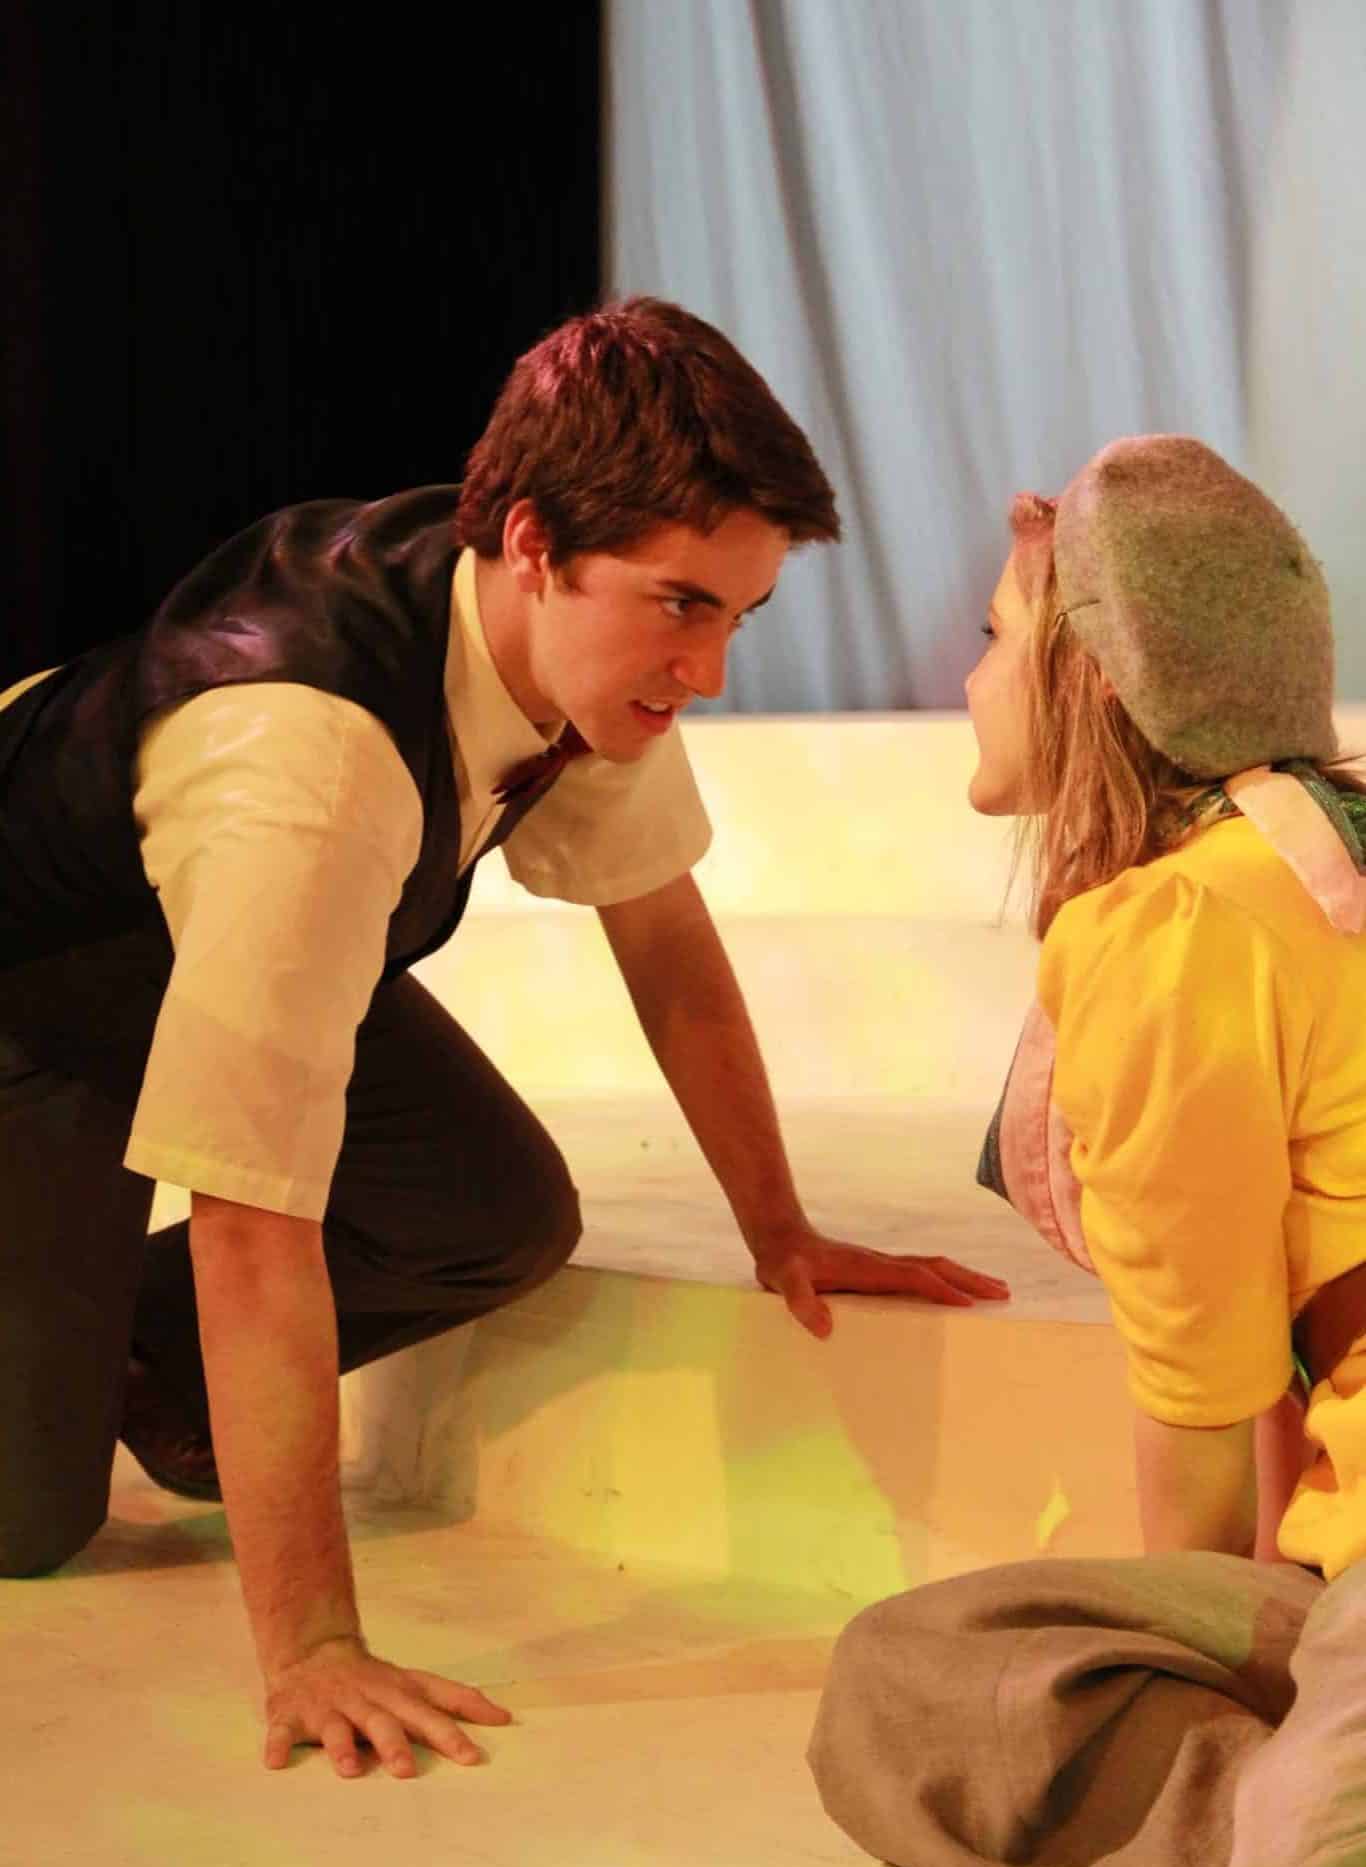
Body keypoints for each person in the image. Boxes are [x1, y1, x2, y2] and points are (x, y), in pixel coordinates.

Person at [0, 297, 1007, 1784]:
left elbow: (664, 940)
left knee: (496, 1211)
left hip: (208, 933)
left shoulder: (558, 641)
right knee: (26, 1520)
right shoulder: (310, 762)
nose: (710, 670)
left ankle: (142, 1370)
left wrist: (779, 1228)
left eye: (738, 615)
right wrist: (315, 1647)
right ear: (534, 543)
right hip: (36, 983)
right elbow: (250, 1223)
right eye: (681, 606)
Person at [809, 436, 1366, 1867]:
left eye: (997, 638)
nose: (969, 676)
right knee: (912, 1660)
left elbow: (1199, 1391)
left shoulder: (1179, 926)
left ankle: (1304, 1829)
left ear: (1091, 682)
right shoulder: (1310, 860)